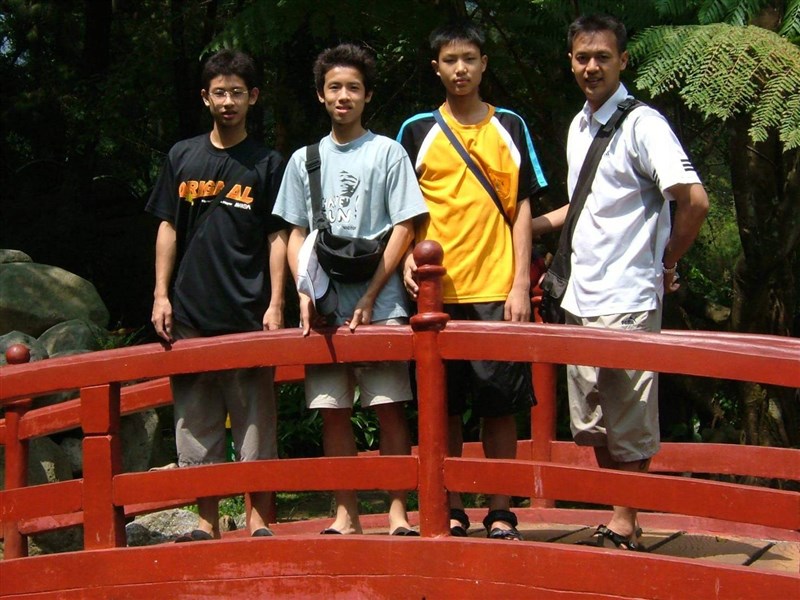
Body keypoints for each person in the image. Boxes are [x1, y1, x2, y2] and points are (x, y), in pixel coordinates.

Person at [532, 14, 709, 550]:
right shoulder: (578, 125)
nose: (591, 67)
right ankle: (618, 512)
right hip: (581, 294)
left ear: (623, 61)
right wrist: (529, 228)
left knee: (629, 416)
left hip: (629, 293)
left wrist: (667, 263)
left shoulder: (642, 125)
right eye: (582, 57)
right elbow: (588, 207)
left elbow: (694, 200)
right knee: (592, 419)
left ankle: (626, 520)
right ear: (570, 60)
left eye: (602, 57)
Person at [397, 21, 548, 540]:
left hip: (495, 288)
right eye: (449, 59)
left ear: (484, 64)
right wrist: (402, 267)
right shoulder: (417, 130)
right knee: (442, 409)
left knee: (500, 407)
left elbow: (522, 206)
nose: (460, 69)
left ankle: (501, 508)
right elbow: (404, 212)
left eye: (469, 58)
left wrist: (518, 285)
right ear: (435, 67)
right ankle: (451, 506)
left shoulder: (509, 124)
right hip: (435, 295)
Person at [273, 43, 428, 536]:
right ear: (321, 95)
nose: (344, 97)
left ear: (368, 96)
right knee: (333, 411)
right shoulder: (305, 160)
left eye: (353, 88)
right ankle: (346, 512)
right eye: (335, 87)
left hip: (380, 302)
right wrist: (304, 292)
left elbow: (406, 225)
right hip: (325, 305)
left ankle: (399, 510)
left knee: (388, 406)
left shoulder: (388, 152)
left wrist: (370, 294)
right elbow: (294, 232)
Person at [146, 49, 287, 541]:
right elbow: (167, 226)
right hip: (188, 312)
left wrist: (276, 303)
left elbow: (277, 237)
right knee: (195, 422)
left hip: (248, 308)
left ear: (253, 97)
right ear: (205, 97)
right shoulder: (182, 156)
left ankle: (258, 521)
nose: (228, 101)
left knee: (254, 423)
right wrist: (161, 295)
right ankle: (206, 523)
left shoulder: (269, 163)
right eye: (219, 92)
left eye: (238, 92)